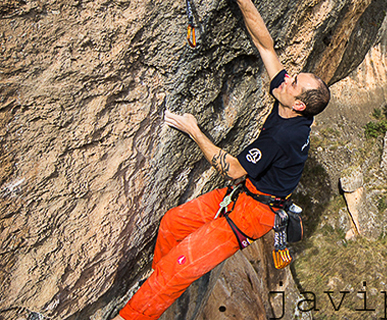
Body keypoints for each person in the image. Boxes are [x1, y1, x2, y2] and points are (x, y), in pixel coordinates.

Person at [113, 0, 330, 318]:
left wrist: (194, 130)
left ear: (299, 105)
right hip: (245, 198)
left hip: (251, 216)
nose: (286, 79)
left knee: (179, 267)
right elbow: (265, 46)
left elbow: (231, 168)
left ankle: (134, 311)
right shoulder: (289, 103)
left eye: (293, 83)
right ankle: (158, 286)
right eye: (293, 76)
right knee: (173, 224)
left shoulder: (282, 137)